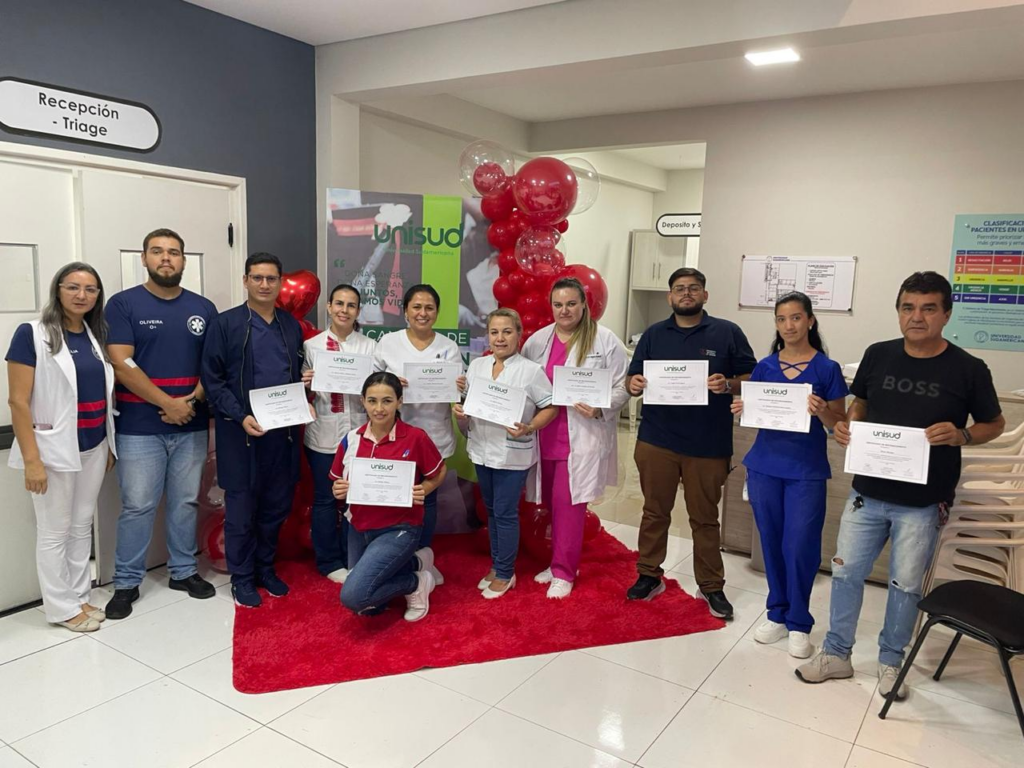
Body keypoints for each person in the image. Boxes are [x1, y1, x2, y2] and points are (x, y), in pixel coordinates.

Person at [797, 271, 1004, 698]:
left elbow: (995, 423)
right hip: (867, 493)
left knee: (905, 586)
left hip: (922, 501)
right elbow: (861, 402)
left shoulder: (968, 368)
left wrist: (963, 434)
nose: (917, 317)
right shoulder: (878, 354)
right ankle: (837, 653)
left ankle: (892, 661)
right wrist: (848, 425)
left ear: (946, 314)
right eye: (908, 308)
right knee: (846, 573)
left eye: (928, 308)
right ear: (898, 312)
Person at [626, 267, 756, 619]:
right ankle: (649, 574)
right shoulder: (654, 334)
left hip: (707, 443)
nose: (686, 293)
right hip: (657, 440)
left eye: (694, 288)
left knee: (704, 518)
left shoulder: (727, 332)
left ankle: (711, 585)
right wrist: (633, 384)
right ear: (670, 296)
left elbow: (752, 376)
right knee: (654, 513)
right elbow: (632, 376)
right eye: (680, 288)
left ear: (704, 295)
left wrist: (728, 384)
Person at [104, 229, 218, 619]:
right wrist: (168, 403)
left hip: (190, 424)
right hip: (139, 427)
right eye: (157, 251)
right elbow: (121, 363)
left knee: (186, 501)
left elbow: (213, 365)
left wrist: (191, 402)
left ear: (184, 260)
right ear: (144, 258)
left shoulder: (203, 308)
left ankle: (183, 571)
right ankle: (126, 582)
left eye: (173, 252)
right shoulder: (123, 305)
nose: (166, 258)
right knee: (138, 505)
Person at [730, 292, 848, 658]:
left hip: (805, 471)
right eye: (781, 319)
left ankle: (799, 621)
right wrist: (744, 408)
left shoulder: (827, 368)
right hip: (764, 466)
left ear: (810, 320)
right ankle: (777, 613)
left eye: (796, 317)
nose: (789, 325)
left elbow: (838, 423)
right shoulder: (765, 367)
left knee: (800, 546)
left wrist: (822, 410)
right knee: (771, 542)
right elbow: (758, 413)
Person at [6, 263, 117, 632]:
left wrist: (109, 444)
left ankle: (79, 596)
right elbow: (18, 401)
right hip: (52, 449)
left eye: (90, 289)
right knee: (54, 531)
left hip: (93, 444)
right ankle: (60, 607)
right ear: (58, 290)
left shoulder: (94, 334)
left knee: (82, 525)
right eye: (73, 287)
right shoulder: (31, 334)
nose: (81, 295)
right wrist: (32, 460)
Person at [201, 252, 307, 608]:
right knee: (241, 512)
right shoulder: (226, 324)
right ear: (245, 280)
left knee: (275, 508)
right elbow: (213, 381)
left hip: (283, 434)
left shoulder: (289, 326)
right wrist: (240, 415)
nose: (264, 284)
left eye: (271, 278)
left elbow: (292, 375)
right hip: (241, 434)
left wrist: (304, 392)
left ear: (280, 283)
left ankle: (265, 568)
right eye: (257, 278)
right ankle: (242, 577)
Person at [521, 277, 629, 599]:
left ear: (584, 304)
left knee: (569, 506)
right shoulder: (537, 341)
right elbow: (523, 380)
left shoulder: (605, 341)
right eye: (558, 304)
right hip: (545, 436)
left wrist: (600, 408)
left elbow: (623, 386)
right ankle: (559, 561)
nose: (564, 310)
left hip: (580, 438)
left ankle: (564, 572)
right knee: (552, 505)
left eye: (571, 304)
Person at [454, 308, 558, 599]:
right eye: (494, 332)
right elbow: (469, 404)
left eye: (507, 332)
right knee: (491, 511)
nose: (500, 338)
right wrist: (462, 412)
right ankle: (497, 564)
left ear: (519, 334)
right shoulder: (477, 366)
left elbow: (551, 406)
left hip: (512, 454)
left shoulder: (531, 371)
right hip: (482, 449)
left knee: (504, 512)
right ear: (487, 336)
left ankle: (505, 572)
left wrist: (529, 427)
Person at [331, 372, 447, 621]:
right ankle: (416, 564)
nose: (379, 409)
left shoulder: (416, 437)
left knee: (354, 598)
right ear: (362, 401)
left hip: (399, 527)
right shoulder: (351, 439)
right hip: (359, 528)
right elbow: (337, 480)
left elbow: (439, 472)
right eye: (372, 401)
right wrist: (337, 489)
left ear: (399, 402)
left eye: (387, 401)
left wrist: (425, 488)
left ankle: (415, 582)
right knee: (371, 607)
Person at [373, 283, 461, 584]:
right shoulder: (388, 343)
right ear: (405, 311)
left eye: (429, 308)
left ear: (436, 312)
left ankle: (423, 558)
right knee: (396, 499)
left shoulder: (448, 347)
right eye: (417, 307)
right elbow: (371, 385)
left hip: (435, 433)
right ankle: (396, 558)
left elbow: (457, 392)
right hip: (395, 435)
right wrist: (388, 383)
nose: (423, 313)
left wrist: (459, 387)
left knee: (427, 499)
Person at [301, 283, 376, 584]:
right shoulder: (312, 346)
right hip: (323, 434)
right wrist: (306, 384)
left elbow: (378, 389)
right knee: (324, 500)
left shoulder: (370, 347)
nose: (345, 310)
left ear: (358, 311)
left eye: (351, 305)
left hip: (360, 434)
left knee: (355, 499)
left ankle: (352, 557)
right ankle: (329, 561)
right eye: (340, 304)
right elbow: (300, 393)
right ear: (329, 307)